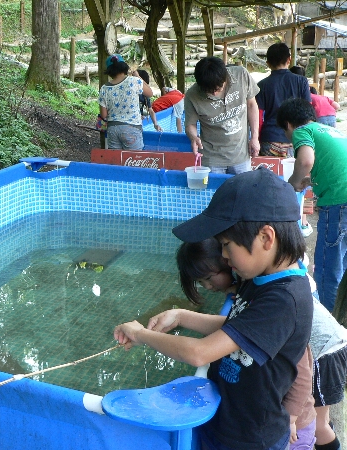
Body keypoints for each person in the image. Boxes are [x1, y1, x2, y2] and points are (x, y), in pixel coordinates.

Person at [114, 168, 313, 449]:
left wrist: (140, 334)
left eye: (226, 245)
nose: (222, 255)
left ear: (266, 238)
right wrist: (181, 315)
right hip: (226, 420)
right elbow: (236, 327)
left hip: (251, 438)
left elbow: (199, 353)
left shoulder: (285, 299)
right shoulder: (259, 279)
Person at [178, 239, 347, 450]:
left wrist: (291, 419)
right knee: (314, 418)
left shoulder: (274, 302)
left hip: (327, 350)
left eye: (208, 279)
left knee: (315, 423)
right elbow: (238, 330)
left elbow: (302, 374)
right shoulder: (255, 286)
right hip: (318, 348)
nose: (207, 287)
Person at [277, 98, 347, 313]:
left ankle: (328, 321)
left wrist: (295, 182)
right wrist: (311, 181)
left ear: (288, 125)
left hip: (338, 203)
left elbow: (306, 161)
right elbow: (334, 165)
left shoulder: (301, 131)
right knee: (343, 263)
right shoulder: (328, 130)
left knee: (328, 267)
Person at [256, 44, 313, 237]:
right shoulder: (300, 81)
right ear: (289, 59)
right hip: (296, 142)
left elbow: (259, 115)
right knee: (299, 182)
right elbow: (307, 112)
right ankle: (299, 222)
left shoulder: (262, 85)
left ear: (267, 62)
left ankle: (271, 224)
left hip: (269, 140)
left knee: (270, 182)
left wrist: (254, 138)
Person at [183, 57, 260, 174]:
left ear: (226, 78)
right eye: (209, 90)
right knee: (216, 191)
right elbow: (190, 124)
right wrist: (194, 137)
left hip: (241, 155)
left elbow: (251, 105)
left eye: (218, 89)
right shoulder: (192, 95)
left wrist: (254, 137)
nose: (214, 93)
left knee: (243, 190)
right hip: (212, 158)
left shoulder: (241, 75)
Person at [99, 54, 153, 150]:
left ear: (109, 71)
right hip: (132, 128)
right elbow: (150, 93)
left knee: (116, 162)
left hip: (113, 129)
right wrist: (138, 76)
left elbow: (103, 115)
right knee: (134, 161)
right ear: (124, 67)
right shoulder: (134, 81)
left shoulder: (104, 88)